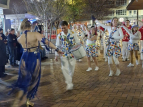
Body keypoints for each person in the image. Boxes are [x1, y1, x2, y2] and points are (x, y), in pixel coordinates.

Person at [9, 18, 62, 107]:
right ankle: (26, 99)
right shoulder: (35, 34)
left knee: (25, 79)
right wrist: (57, 49)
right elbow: (47, 42)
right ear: (31, 26)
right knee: (34, 79)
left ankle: (23, 100)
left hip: (24, 58)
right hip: (34, 57)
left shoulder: (19, 38)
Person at [55, 21, 80, 90]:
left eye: (64, 28)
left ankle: (69, 80)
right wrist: (56, 55)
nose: (63, 29)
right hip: (63, 54)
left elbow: (77, 42)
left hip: (72, 54)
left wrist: (77, 48)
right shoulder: (59, 35)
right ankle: (69, 83)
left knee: (71, 68)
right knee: (63, 68)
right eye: (62, 28)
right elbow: (57, 45)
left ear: (67, 26)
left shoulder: (73, 33)